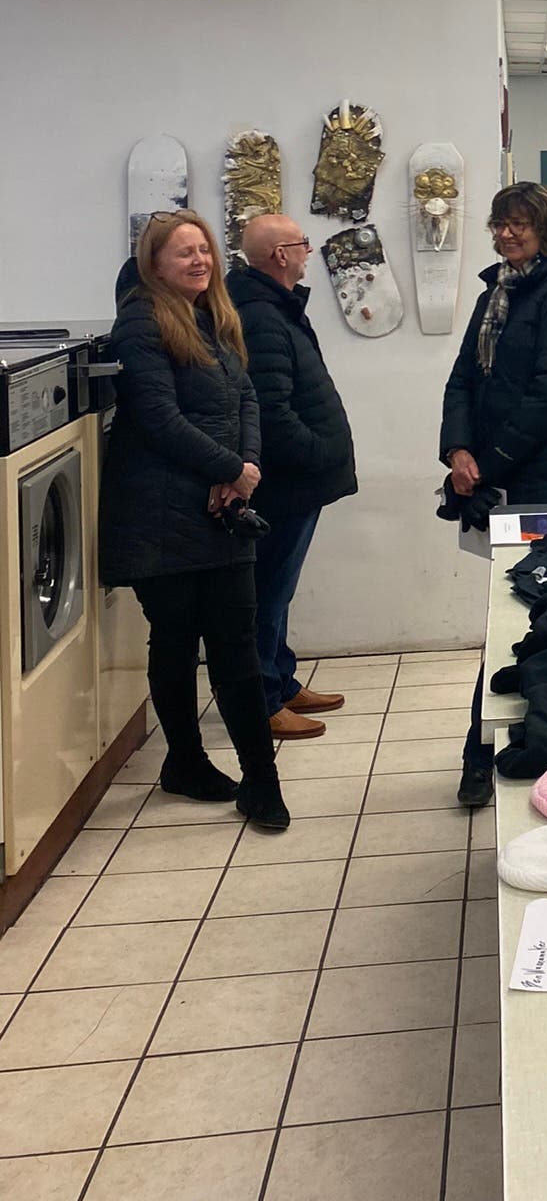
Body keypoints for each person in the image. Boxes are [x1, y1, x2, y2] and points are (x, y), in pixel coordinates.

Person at [98, 211, 289, 830]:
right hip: (158, 514)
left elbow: (247, 398)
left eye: (204, 251)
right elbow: (156, 417)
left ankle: (262, 781)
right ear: (155, 264)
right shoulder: (141, 323)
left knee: (234, 642)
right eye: (184, 254)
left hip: (222, 511)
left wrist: (246, 467)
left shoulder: (217, 319)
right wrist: (233, 466)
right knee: (176, 641)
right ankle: (184, 761)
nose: (199, 262)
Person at [441, 182, 547, 807]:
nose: (507, 234)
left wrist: (483, 465)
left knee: (544, 620)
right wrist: (457, 451)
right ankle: (482, 751)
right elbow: (462, 379)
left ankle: (534, 745)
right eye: (500, 224)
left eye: (521, 224)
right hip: (495, 482)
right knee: (503, 621)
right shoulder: (497, 293)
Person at [228, 215, 357, 739]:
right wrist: (321, 452)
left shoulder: (274, 306)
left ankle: (280, 679)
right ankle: (260, 699)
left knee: (280, 587)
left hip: (300, 479)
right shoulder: (260, 315)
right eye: (302, 243)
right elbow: (271, 412)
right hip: (286, 482)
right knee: (267, 590)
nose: (309, 251)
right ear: (280, 255)